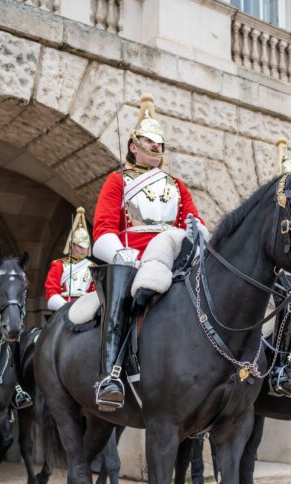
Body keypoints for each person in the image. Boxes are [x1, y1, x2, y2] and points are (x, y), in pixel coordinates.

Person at [91, 94, 207, 411]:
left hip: (173, 259)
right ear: (133, 145)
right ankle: (110, 375)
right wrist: (120, 254)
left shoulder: (177, 185)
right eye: (149, 141)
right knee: (120, 293)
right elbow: (102, 228)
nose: (157, 147)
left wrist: (200, 235)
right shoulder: (118, 181)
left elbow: (195, 221)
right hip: (132, 260)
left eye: (159, 143)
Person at [45, 207, 95, 311]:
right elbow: (51, 290)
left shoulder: (93, 267)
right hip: (63, 306)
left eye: (86, 247)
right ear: (72, 246)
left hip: (86, 308)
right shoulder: (59, 265)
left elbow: (95, 292)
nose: (84, 250)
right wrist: (65, 308)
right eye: (80, 247)